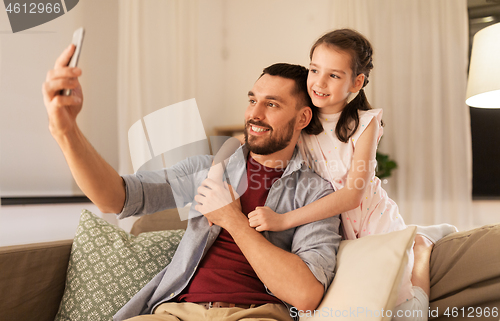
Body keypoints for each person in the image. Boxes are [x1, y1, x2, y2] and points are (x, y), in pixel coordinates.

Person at [42, 45, 341, 321]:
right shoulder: (208, 168)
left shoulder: (315, 194)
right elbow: (116, 198)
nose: (254, 114)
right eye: (252, 100)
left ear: (302, 118)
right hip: (177, 312)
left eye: (272, 104)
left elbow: (305, 295)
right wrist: (67, 132)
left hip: (255, 315)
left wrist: (231, 219)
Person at [244, 29, 458, 320]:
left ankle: (421, 246)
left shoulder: (364, 123)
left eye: (333, 75)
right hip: (334, 228)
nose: (319, 82)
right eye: (314, 70)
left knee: (406, 313)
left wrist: (283, 220)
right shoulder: (303, 120)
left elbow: (352, 194)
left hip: (371, 219)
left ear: (356, 82)